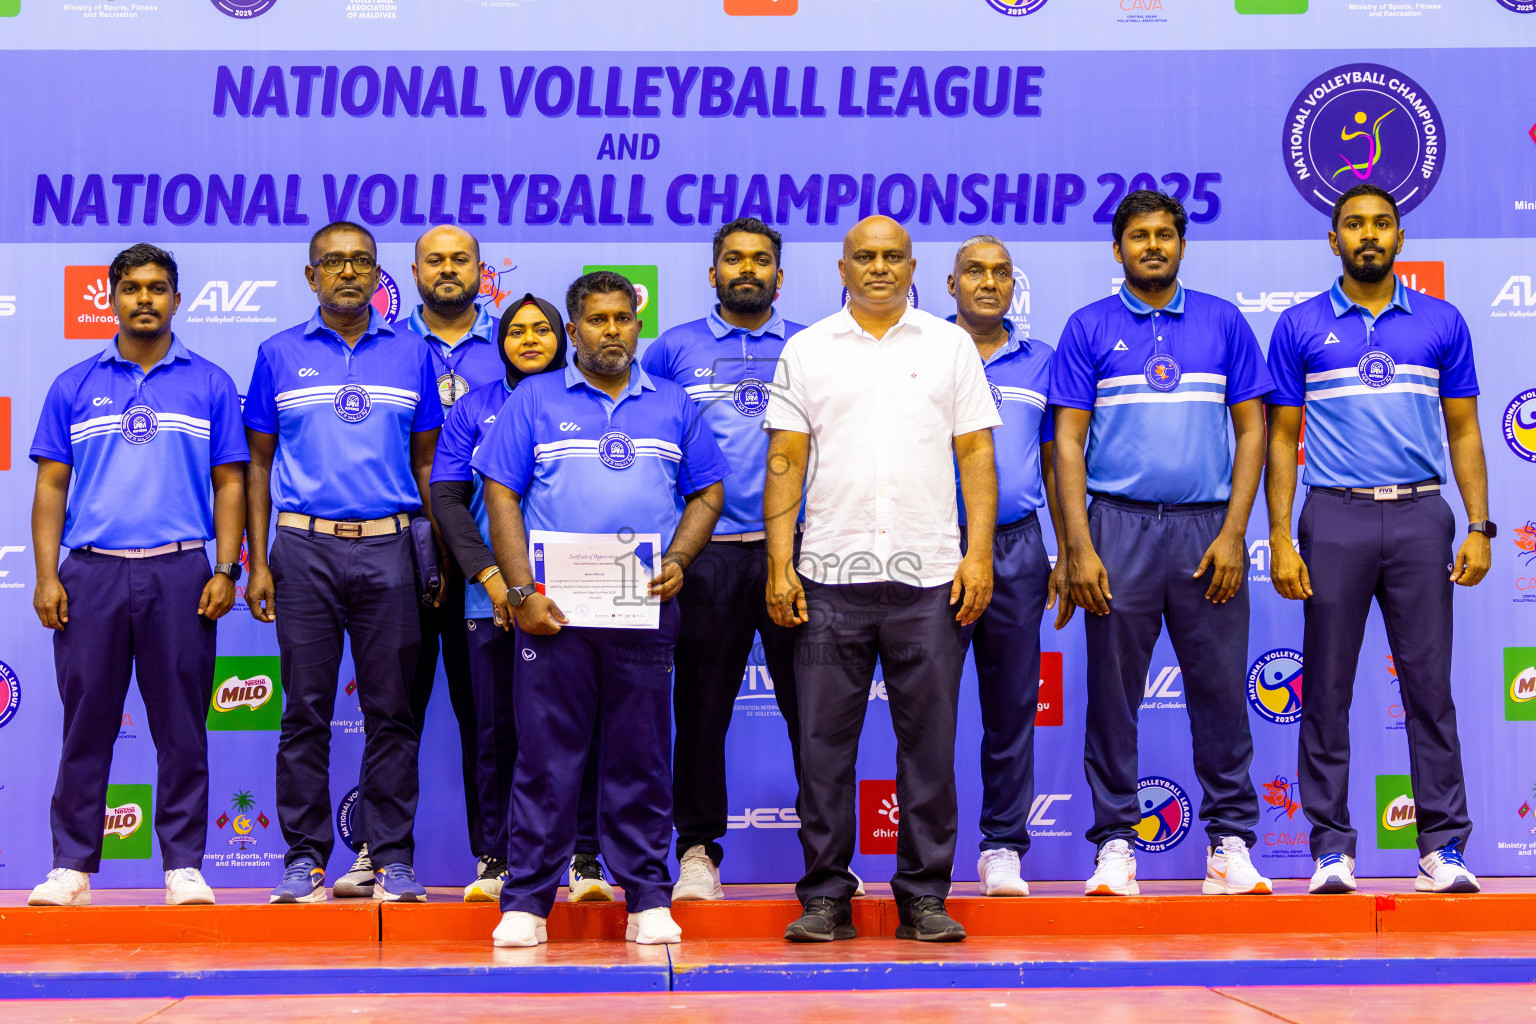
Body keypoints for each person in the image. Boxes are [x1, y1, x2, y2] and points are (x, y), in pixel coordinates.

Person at [475, 271, 728, 947]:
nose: (611, 330)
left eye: (622, 318)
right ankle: (526, 902)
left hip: (641, 610)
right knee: (545, 759)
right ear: (574, 330)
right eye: (597, 320)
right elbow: (500, 494)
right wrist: (522, 591)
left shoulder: (674, 405)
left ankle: (647, 894)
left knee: (640, 756)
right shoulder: (533, 399)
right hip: (553, 615)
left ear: (636, 325)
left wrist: (678, 559)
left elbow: (708, 493)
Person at [766, 216, 1001, 943]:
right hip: (828, 577)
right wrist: (780, 561)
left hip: (930, 577)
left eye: (891, 257)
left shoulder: (949, 345)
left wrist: (979, 554)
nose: (878, 268)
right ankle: (826, 897)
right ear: (842, 268)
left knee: (928, 747)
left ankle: (924, 895)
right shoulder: (805, 350)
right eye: (864, 258)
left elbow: (976, 459)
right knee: (822, 750)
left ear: (913, 267)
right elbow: (785, 462)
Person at [1265, 182, 1490, 895]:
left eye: (1382, 224)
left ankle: (1442, 848)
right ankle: (1332, 849)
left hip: (1423, 517)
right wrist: (1279, 535)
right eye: (1354, 224)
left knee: (1428, 687)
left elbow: (1464, 430)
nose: (1369, 234)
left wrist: (1480, 526)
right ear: (1333, 241)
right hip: (1333, 517)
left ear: (1399, 239)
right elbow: (1279, 438)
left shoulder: (1441, 321)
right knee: (1326, 689)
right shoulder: (1300, 326)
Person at [1050, 190, 1273, 898]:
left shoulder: (1224, 322)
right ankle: (1115, 844)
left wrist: (1237, 532)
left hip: (1208, 528)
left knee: (1217, 690)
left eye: (1165, 235)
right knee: (1113, 696)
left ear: (1182, 245)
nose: (1153, 245)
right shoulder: (1087, 326)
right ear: (1117, 249)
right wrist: (1079, 546)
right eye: (1139, 236)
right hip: (1117, 527)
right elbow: (1068, 442)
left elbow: (1253, 432)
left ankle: (1230, 844)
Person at [27, 244, 247, 908]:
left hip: (182, 571)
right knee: (86, 722)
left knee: (181, 726)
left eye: (157, 288)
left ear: (177, 299)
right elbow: (50, 488)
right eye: (131, 288)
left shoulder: (208, 382)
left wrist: (226, 567)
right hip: (90, 572)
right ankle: (72, 865)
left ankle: (183, 865)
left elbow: (230, 482)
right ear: (112, 298)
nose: (144, 298)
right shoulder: (72, 383)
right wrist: (46, 575)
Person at [244, 221, 444, 904]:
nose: (348, 273)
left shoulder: (413, 354)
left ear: (379, 273)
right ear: (311, 276)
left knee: (392, 712)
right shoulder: (276, 353)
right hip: (302, 549)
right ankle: (302, 860)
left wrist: (435, 558)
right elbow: (258, 465)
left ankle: (391, 858)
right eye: (333, 263)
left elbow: (426, 465)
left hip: (391, 547)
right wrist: (257, 562)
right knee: (304, 711)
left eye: (361, 261)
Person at [334, 225, 509, 900]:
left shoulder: (516, 348)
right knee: (392, 710)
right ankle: (378, 850)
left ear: (478, 269)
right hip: (398, 548)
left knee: (487, 716)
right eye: (434, 261)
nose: (447, 270)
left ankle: (494, 856)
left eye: (459, 260)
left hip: (484, 559)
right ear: (410, 272)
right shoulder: (390, 347)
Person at [639, 217, 807, 901]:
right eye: (733, 260)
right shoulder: (673, 349)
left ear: (779, 275)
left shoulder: (812, 345)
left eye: (760, 260)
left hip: (793, 558)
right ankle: (698, 851)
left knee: (816, 712)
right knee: (701, 713)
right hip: (703, 560)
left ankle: (828, 855)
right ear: (712, 274)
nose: (747, 270)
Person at [430, 293, 616, 904]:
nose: (529, 339)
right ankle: (496, 858)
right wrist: (489, 577)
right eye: (515, 331)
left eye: (541, 330)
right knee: (495, 733)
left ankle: (584, 858)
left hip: (577, 598)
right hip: (493, 602)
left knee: (581, 732)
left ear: (562, 337)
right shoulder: (475, 407)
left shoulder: (589, 399)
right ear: (500, 341)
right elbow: (450, 501)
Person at [945, 235, 1071, 897]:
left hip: (1020, 547)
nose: (988, 283)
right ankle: (927, 853)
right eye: (974, 272)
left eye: (1001, 273)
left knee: (1012, 705)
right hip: (936, 547)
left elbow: (1056, 465)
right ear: (949, 284)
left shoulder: (1043, 362)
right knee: (926, 711)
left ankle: (1001, 847)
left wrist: (1061, 550)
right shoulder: (921, 351)